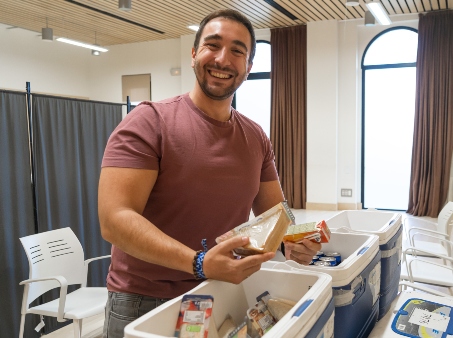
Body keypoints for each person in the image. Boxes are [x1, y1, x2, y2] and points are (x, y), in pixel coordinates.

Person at [98, 8, 321, 338]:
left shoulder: (256, 136)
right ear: (193, 54)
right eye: (212, 45)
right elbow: (114, 219)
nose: (222, 59)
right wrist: (198, 261)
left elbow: (276, 213)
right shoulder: (149, 122)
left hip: (216, 292)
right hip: (144, 301)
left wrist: (293, 239)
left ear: (248, 67)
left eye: (237, 51)